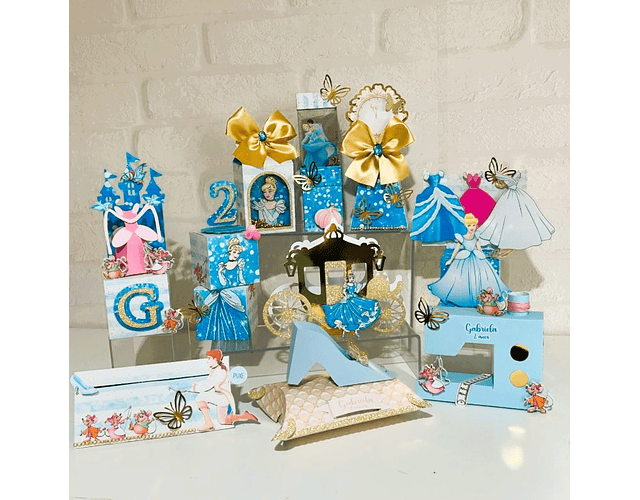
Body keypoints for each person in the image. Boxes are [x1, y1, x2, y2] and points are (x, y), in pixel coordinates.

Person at [428, 213, 510, 308]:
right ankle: (464, 298)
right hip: (464, 258)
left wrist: (483, 257)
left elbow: (479, 248)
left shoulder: (476, 237)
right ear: (466, 226)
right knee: (461, 278)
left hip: (476, 257)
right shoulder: (462, 238)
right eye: (469, 225)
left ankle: (478, 299)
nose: (472, 227)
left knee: (480, 277)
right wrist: (450, 260)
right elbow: (456, 250)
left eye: (473, 225)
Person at [478, 170, 554, 250]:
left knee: (523, 213)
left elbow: (512, 180)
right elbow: (512, 181)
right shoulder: (509, 180)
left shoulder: (510, 179)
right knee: (506, 215)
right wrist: (501, 176)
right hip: (511, 195)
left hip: (516, 195)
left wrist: (502, 176)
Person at [192, 349, 257, 431]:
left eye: (209, 358)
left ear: (215, 359)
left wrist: (195, 388)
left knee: (200, 397)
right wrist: (197, 384)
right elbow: (207, 381)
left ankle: (208, 422)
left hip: (222, 397)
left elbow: (208, 384)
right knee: (222, 420)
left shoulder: (220, 371)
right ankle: (244, 416)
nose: (207, 361)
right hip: (218, 396)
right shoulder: (215, 369)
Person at [321, 271, 380, 336]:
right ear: (348, 279)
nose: (351, 279)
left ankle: (355, 328)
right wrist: (346, 294)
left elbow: (356, 290)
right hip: (348, 298)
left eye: (352, 278)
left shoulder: (355, 284)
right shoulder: (346, 285)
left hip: (353, 297)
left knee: (360, 308)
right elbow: (344, 292)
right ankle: (347, 327)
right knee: (346, 312)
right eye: (350, 278)